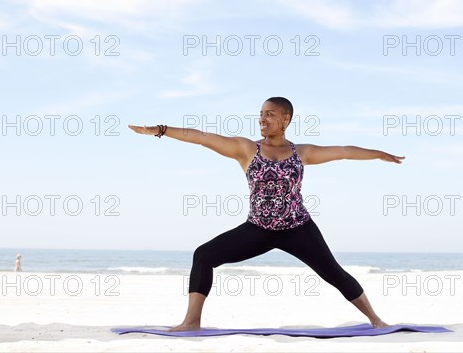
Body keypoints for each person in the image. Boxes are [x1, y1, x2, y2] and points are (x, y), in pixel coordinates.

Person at [128, 97, 406, 331]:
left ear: (285, 119)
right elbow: (202, 138)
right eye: (261, 114)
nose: (263, 118)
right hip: (258, 229)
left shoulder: (302, 152)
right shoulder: (246, 148)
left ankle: (376, 321)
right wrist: (160, 129)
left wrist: (378, 153)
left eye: (270, 114)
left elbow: (344, 151)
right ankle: (191, 322)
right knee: (204, 255)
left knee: (333, 272)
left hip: (298, 227)